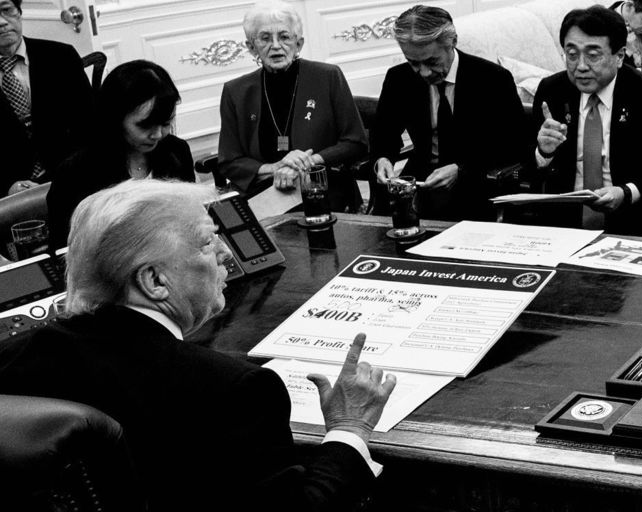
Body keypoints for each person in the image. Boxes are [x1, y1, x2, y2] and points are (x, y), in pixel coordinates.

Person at [0, 179, 395, 512]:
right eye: (207, 243)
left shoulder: (13, 358)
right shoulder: (236, 392)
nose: (226, 253)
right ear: (155, 281)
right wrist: (349, 430)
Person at [528, 5, 642, 235]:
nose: (581, 66)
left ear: (619, 56)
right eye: (572, 54)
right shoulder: (552, 91)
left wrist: (627, 192)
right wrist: (543, 152)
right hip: (562, 223)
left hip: (633, 221)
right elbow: (524, 165)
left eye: (593, 56)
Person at [371, 5, 524, 221]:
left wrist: (461, 169)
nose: (424, 72)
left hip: (477, 185)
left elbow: (514, 145)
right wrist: (383, 159)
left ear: (452, 42)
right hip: (421, 185)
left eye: (432, 62)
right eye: (413, 63)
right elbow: (383, 133)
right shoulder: (399, 78)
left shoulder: (493, 79)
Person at [219, 0, 368, 212]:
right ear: (251, 48)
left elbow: (355, 142)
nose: (276, 46)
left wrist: (307, 163)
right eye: (265, 38)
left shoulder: (327, 77)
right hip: (263, 194)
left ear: (298, 44)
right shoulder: (236, 91)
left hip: (322, 187)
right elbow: (229, 160)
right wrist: (275, 168)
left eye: (284, 37)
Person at [47, 60, 194, 248]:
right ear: (115, 118)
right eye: (145, 125)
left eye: (166, 123)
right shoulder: (76, 172)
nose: (157, 134)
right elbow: (66, 248)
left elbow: (192, 219)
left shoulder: (176, 151)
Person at [0, 0, 93, 196]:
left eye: (6, 10)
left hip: (69, 180)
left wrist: (67, 176)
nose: (2, 22)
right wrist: (7, 186)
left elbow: (89, 125)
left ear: (19, 11)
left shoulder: (60, 57)